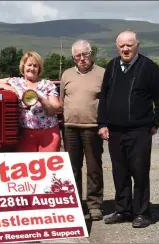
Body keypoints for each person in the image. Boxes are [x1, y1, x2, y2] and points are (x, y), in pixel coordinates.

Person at [98, 30, 159, 228]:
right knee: (119, 171)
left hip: (140, 130)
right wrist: (102, 123)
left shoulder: (148, 67)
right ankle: (123, 209)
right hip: (115, 130)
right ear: (117, 47)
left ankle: (142, 212)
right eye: (122, 45)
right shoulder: (112, 66)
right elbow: (103, 96)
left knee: (139, 171)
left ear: (137, 45)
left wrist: (156, 122)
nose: (126, 49)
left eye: (129, 45)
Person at [60, 40, 105, 221]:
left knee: (94, 167)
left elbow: (107, 101)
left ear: (91, 53)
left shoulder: (102, 73)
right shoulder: (67, 74)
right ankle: (76, 203)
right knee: (72, 168)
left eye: (84, 54)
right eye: (77, 55)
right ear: (73, 57)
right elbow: (62, 100)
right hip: (70, 127)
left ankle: (94, 204)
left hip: (92, 127)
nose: (81, 58)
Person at [0, 51, 61, 152]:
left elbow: (54, 110)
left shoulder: (48, 84)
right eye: (29, 65)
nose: (32, 68)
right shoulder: (15, 82)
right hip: (25, 133)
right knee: (27, 164)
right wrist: (6, 87)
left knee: (47, 165)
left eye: (35, 66)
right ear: (23, 67)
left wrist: (40, 98)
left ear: (39, 68)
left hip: (48, 133)